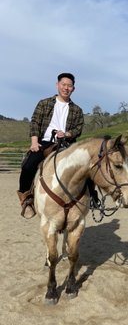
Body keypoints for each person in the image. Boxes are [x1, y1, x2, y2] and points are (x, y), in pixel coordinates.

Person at [17, 72, 84, 219]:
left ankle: (92, 198)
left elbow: (78, 129)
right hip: (44, 142)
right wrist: (34, 142)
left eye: (69, 86)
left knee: (85, 167)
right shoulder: (44, 103)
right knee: (28, 166)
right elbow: (35, 122)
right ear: (57, 85)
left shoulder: (77, 110)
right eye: (63, 85)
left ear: (73, 88)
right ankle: (26, 199)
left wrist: (66, 134)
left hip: (67, 143)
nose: (66, 88)